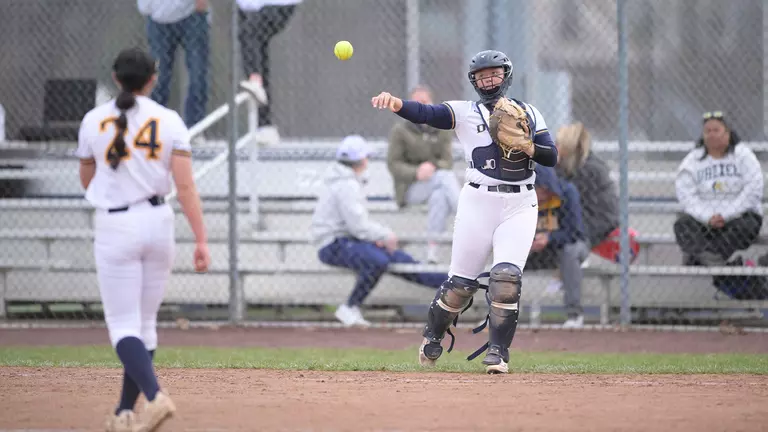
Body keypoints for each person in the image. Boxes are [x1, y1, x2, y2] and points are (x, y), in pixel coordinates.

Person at [371, 50, 558, 374]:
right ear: (474, 81)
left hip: (520, 204)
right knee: (460, 285)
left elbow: (551, 157)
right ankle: (433, 335)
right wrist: (397, 103)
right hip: (478, 202)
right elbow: (426, 113)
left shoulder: (528, 113)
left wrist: (526, 144)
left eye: (494, 73)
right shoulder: (464, 112)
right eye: (482, 76)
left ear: (506, 75)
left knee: (506, 278)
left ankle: (498, 353)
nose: (489, 80)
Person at [76, 47, 211, 432]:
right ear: (153, 79)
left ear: (116, 78)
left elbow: (87, 179)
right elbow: (185, 187)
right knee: (145, 325)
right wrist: (201, 240)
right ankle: (123, 413)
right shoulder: (169, 120)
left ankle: (154, 396)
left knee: (123, 326)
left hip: (116, 224)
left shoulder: (93, 120)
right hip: (158, 221)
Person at [310, 135, 448, 327]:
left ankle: (452, 283)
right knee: (378, 260)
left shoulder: (346, 181)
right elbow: (358, 226)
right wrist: (385, 235)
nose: (367, 161)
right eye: (366, 157)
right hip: (333, 244)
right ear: (360, 160)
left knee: (398, 259)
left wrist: (378, 238)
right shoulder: (345, 185)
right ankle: (350, 306)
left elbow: (357, 227)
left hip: (349, 241)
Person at [674, 111, 763, 267]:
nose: (711, 135)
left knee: (747, 225)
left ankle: (706, 259)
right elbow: (687, 196)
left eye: (716, 130)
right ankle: (718, 263)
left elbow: (753, 190)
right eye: (707, 131)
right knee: (682, 225)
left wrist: (727, 215)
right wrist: (707, 217)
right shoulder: (692, 160)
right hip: (705, 222)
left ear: (727, 133)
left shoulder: (743, 155)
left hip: (737, 218)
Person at [386, 85, 460, 263]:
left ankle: (432, 251)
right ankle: (466, 218)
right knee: (444, 177)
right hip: (410, 188)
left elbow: (447, 161)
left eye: (425, 102)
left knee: (439, 197)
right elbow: (393, 164)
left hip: (436, 182)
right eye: (416, 103)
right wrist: (416, 172)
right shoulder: (400, 130)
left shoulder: (443, 127)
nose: (420, 107)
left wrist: (432, 166)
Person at [526, 166, 589, 328]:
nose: (539, 195)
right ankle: (497, 315)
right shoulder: (522, 198)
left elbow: (574, 233)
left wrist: (549, 238)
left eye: (542, 190)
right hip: (537, 252)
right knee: (504, 254)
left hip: (567, 246)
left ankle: (574, 315)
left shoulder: (567, 193)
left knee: (570, 252)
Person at [138, 0, 210, 128]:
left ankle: (195, 126)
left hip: (191, 14)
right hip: (158, 18)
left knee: (197, 75)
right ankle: (155, 127)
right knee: (159, 78)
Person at [237, 0, 302, 137]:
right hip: (248, 6)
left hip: (276, 4)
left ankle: (255, 79)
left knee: (249, 33)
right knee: (258, 48)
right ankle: (265, 126)